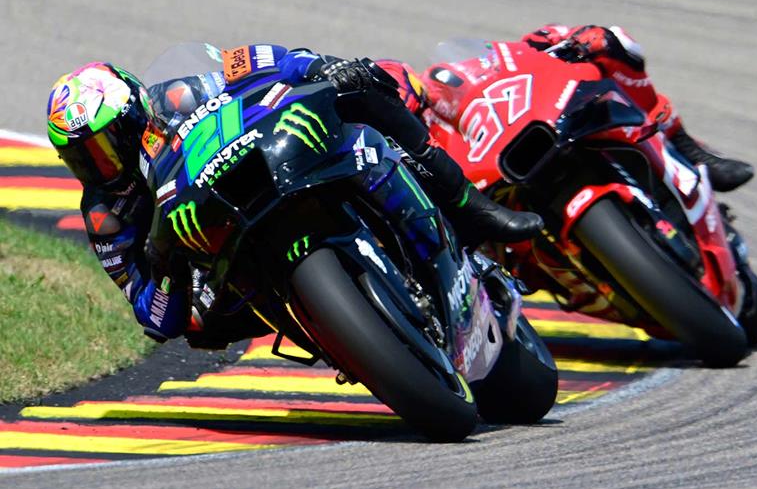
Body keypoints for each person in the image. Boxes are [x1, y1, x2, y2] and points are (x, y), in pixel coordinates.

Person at [45, 48, 543, 344]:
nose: (100, 166)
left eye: (105, 147)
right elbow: (154, 318)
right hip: (219, 272)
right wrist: (164, 264)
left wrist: (320, 67)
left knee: (368, 81)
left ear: (135, 113)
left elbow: (257, 65)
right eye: (82, 158)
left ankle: (469, 209)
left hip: (268, 168)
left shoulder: (175, 96)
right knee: (198, 326)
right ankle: (343, 333)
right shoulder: (106, 215)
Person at [379, 24, 755, 192]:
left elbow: (534, 48)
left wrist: (564, 43)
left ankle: (688, 149)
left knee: (607, 43)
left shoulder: (468, 75)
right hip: (496, 200)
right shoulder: (406, 143)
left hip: (536, 128)